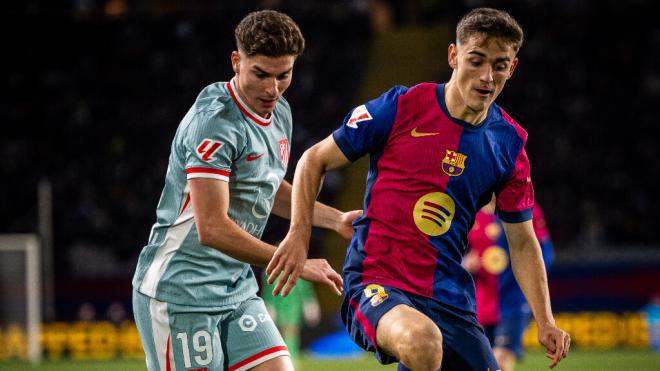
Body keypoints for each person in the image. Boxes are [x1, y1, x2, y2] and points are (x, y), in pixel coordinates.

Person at [268, 7, 570, 371]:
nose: (487, 76)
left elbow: (522, 240)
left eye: (500, 65)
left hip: (450, 298)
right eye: (476, 60)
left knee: (430, 344)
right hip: (377, 281)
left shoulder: (509, 145)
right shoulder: (400, 107)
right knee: (422, 340)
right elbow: (313, 160)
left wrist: (546, 319)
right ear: (453, 56)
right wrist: (299, 236)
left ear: (513, 67)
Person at [131, 10, 359, 371]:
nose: (273, 88)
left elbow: (267, 187)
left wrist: (335, 219)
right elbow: (212, 227)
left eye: (284, 75)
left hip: (235, 288)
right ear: (236, 62)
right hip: (180, 293)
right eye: (261, 74)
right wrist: (293, 262)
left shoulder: (279, 111)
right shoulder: (214, 124)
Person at [465, 200, 555, 371]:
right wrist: (466, 263)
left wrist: (532, 282)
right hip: (479, 305)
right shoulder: (470, 210)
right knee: (480, 364)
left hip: (514, 301)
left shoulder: (526, 209)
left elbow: (545, 254)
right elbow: (454, 255)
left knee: (501, 361)